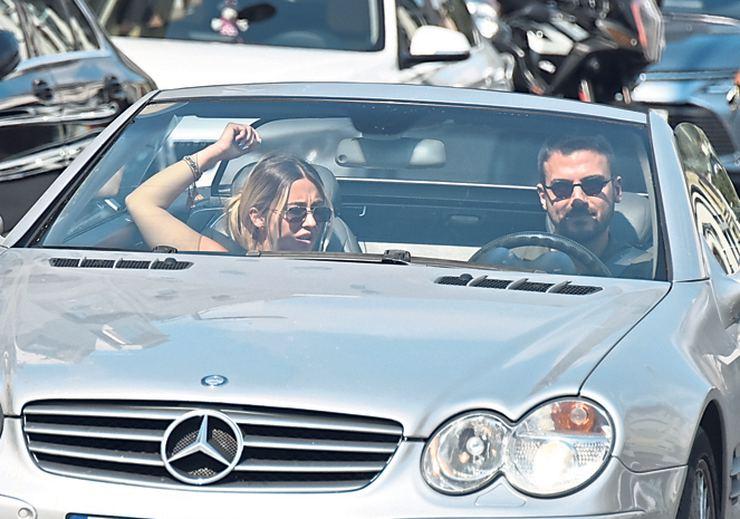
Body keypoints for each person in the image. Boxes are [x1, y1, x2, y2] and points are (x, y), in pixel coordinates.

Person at [125, 122, 334, 254]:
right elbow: (141, 202)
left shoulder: (338, 268)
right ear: (258, 217)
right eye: (296, 211)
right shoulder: (220, 260)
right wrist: (216, 152)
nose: (312, 222)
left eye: (319, 212)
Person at [535, 135, 651, 277]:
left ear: (617, 190)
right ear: (543, 197)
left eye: (593, 185)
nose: (578, 199)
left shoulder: (650, 272)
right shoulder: (515, 264)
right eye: (562, 188)